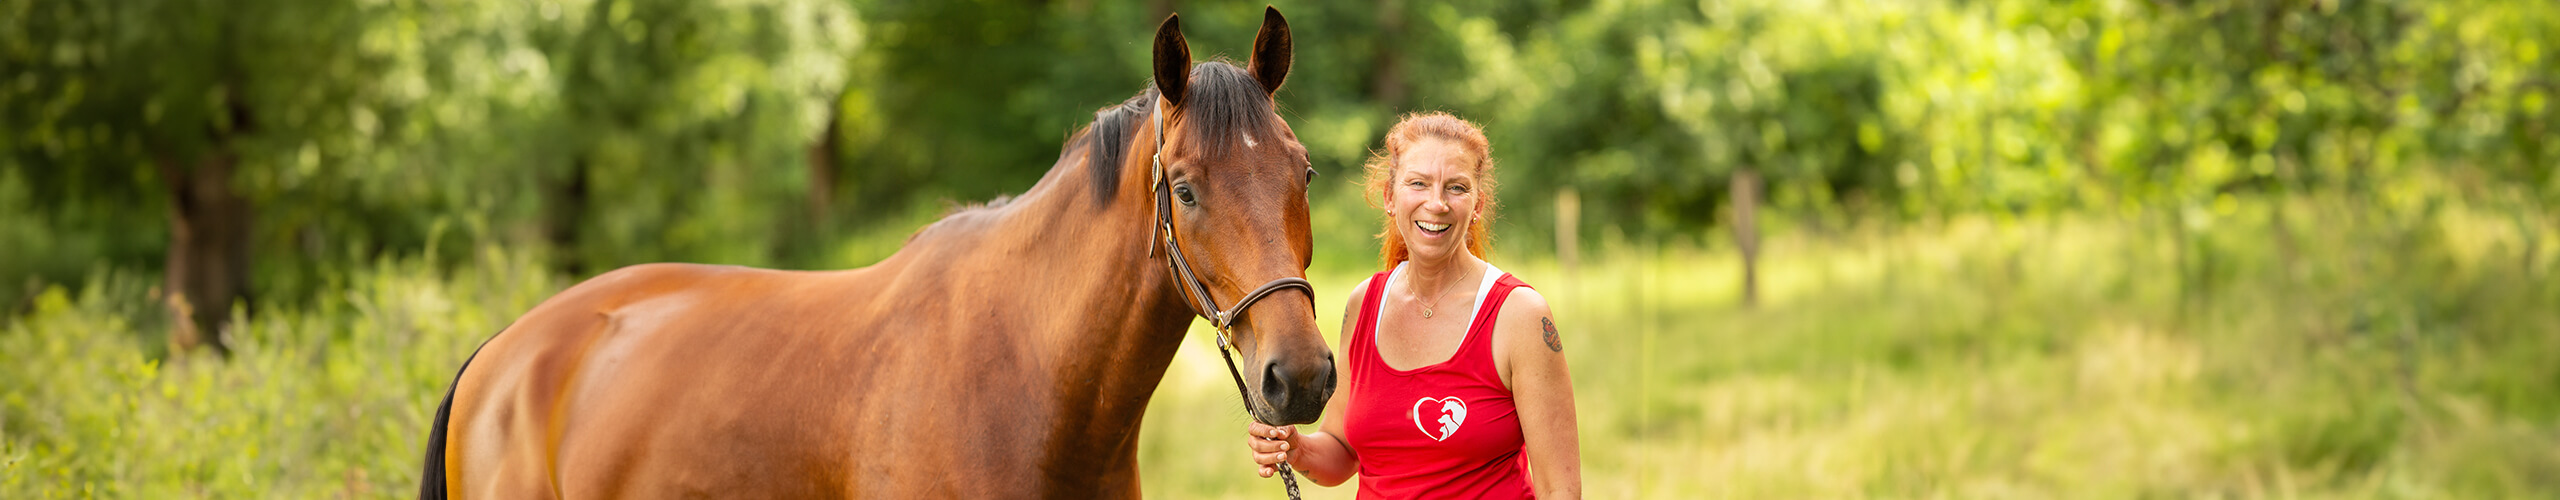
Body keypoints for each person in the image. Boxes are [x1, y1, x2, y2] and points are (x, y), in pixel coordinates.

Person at [1245, 112, 1582, 498]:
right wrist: (1297, 447)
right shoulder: (1365, 304)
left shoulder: (1519, 315)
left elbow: (1562, 491)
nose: (1436, 203)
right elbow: (1342, 452)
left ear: (1477, 205)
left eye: (1456, 188)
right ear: (1390, 197)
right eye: (1418, 183)